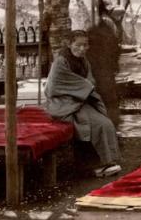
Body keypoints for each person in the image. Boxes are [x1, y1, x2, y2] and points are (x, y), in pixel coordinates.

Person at [45, 30, 121, 177]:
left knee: (105, 122)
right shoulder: (61, 61)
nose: (82, 49)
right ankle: (96, 166)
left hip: (79, 100)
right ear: (70, 44)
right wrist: (83, 86)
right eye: (78, 45)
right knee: (91, 125)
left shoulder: (84, 61)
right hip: (63, 103)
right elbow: (55, 85)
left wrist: (84, 87)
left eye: (85, 45)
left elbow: (90, 81)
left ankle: (107, 161)